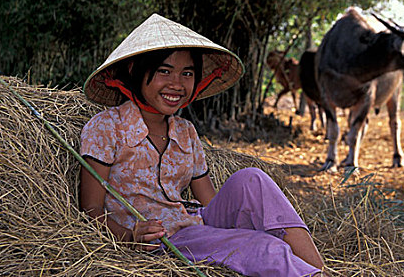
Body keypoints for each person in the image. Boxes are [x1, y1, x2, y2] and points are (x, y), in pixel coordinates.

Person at [79, 14, 327, 276]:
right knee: (262, 246)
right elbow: (91, 210)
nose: (177, 84)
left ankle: (320, 271)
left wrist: (231, 227)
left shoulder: (185, 131)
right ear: (134, 71)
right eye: (164, 71)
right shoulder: (107, 127)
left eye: (187, 73)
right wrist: (130, 236)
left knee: (251, 179)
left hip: (195, 225)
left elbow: (210, 201)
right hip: (164, 240)